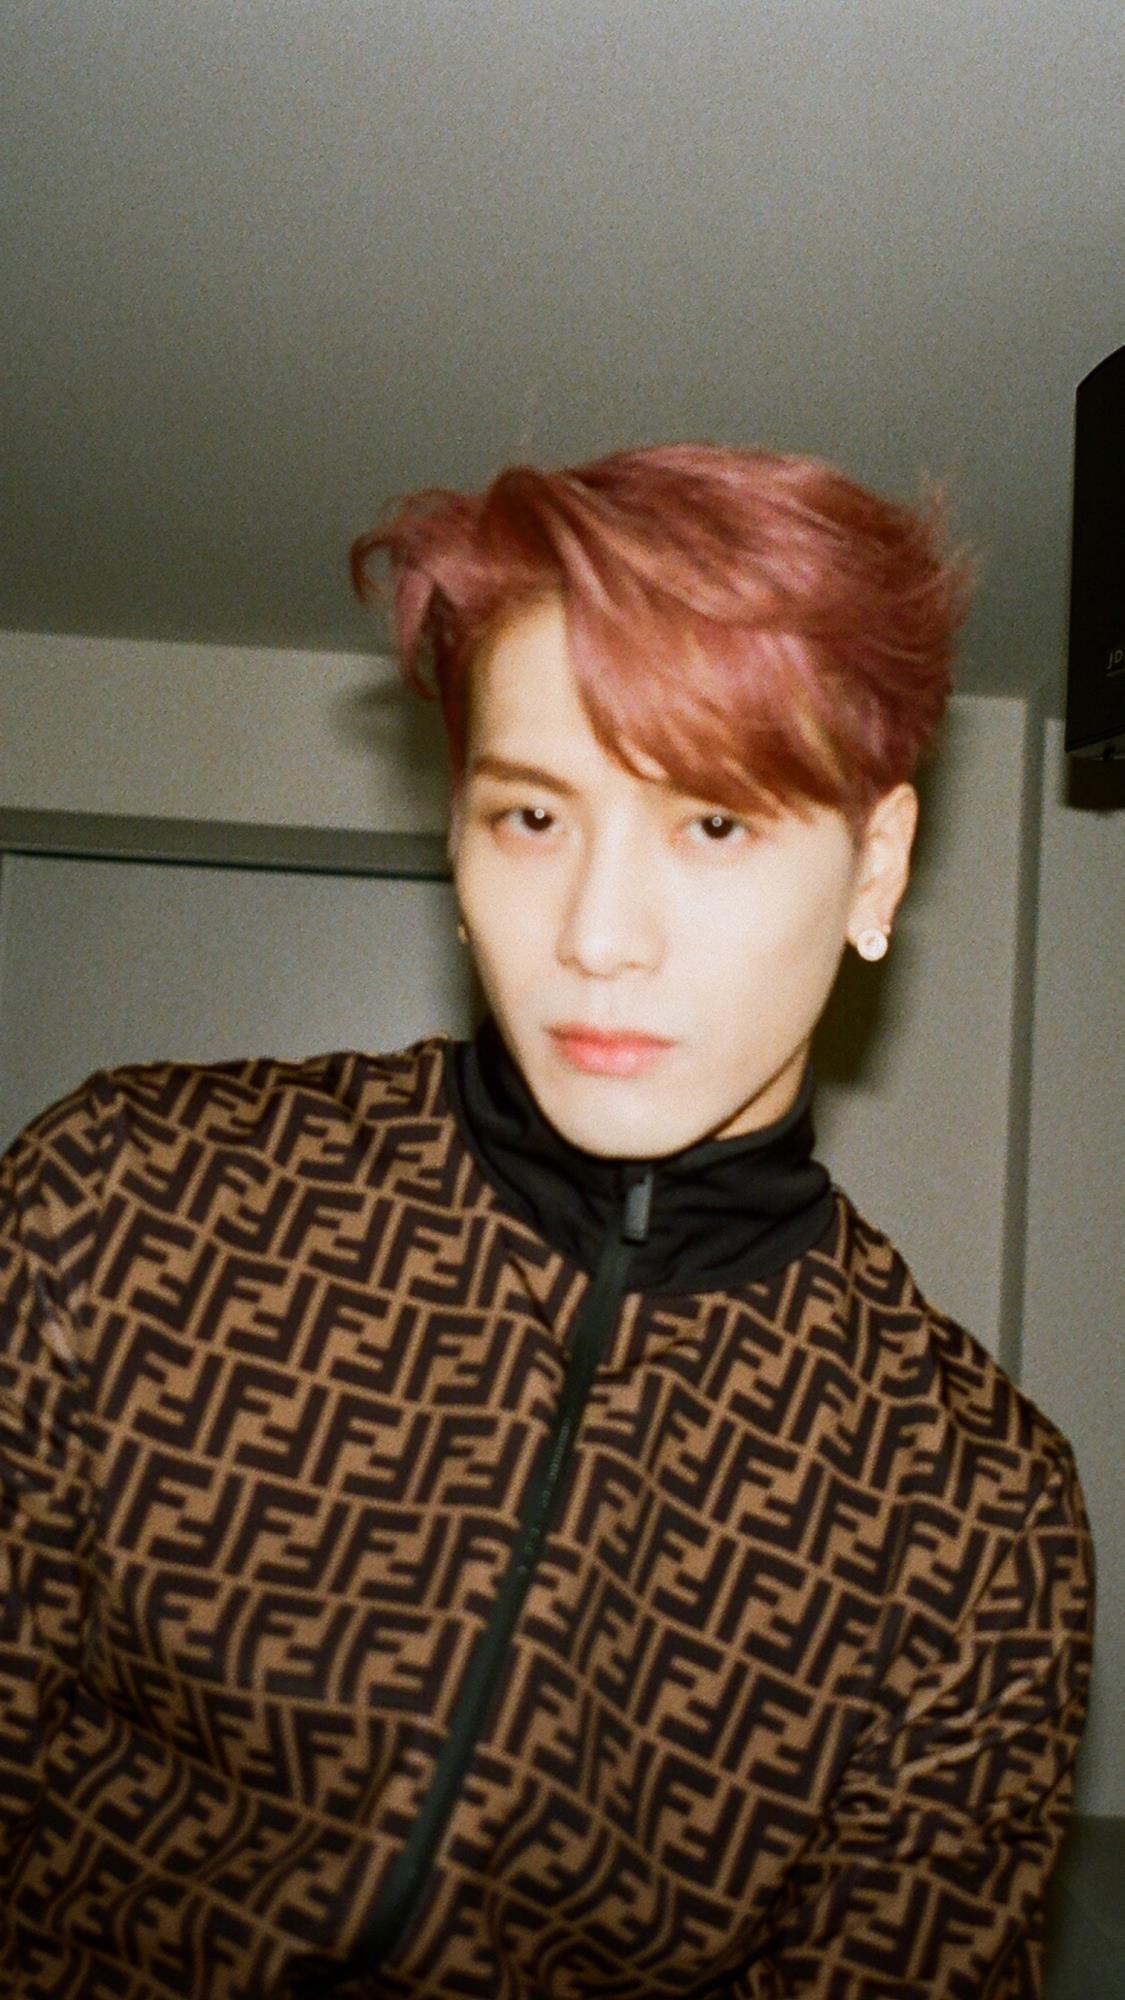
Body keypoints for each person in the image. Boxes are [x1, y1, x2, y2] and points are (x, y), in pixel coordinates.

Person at [0, 444, 1094, 1999]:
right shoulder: (125, 1201)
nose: (595, 935)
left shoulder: (971, 1508)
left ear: (874, 869)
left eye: (712, 825)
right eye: (531, 817)